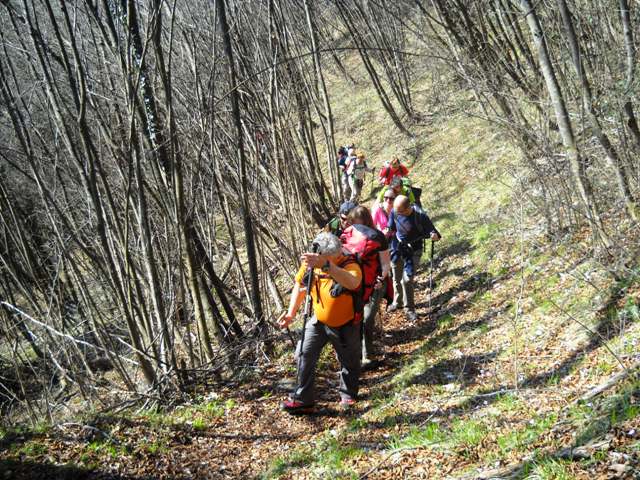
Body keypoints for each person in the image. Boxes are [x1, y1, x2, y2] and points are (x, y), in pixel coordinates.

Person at [278, 232, 363, 413]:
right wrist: (290, 313)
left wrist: (327, 266)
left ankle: (348, 395)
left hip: (346, 323)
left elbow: (354, 282)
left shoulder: (349, 263)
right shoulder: (311, 264)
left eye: (337, 255)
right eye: (331, 257)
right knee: (303, 353)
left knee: (349, 360)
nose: (337, 257)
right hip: (318, 320)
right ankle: (303, 400)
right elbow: (301, 286)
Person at [343, 206, 390, 366]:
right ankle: (356, 357)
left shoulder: (378, 237)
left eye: (358, 223)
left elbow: (385, 263)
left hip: (374, 285)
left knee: (367, 320)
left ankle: (367, 356)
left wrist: (380, 278)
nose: (356, 227)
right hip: (353, 285)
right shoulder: (345, 236)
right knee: (356, 321)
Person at [387, 195, 441, 323]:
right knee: (396, 276)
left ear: (407, 209)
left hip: (414, 250)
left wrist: (433, 235)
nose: (396, 213)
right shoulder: (395, 211)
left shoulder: (420, 215)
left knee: (407, 279)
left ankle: (409, 309)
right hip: (397, 247)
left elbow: (436, 234)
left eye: (399, 211)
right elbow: (391, 227)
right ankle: (397, 301)